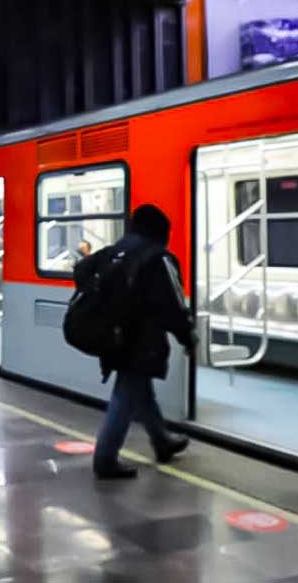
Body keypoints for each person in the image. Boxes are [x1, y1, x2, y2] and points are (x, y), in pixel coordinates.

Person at [92, 204, 196, 479]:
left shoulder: (116, 251)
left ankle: (162, 441)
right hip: (142, 341)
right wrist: (188, 336)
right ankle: (104, 458)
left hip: (114, 336)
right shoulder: (158, 258)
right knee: (126, 394)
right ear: (162, 232)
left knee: (140, 390)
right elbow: (173, 305)